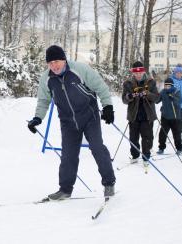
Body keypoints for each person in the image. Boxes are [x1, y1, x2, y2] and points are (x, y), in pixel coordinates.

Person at [27, 45, 116, 200]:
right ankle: (65, 189)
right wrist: (37, 118)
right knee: (68, 155)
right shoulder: (46, 78)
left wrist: (107, 106)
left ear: (64, 59)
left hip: (89, 116)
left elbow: (100, 87)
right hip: (67, 122)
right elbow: (43, 100)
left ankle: (109, 183)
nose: (54, 65)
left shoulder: (79, 70)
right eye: (50, 63)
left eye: (56, 61)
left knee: (97, 148)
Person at [122, 61, 159, 165]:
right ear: (133, 73)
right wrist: (130, 96)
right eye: (136, 73)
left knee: (147, 137)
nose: (138, 75)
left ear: (143, 72)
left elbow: (157, 97)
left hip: (147, 115)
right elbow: (124, 100)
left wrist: (147, 94)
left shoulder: (151, 82)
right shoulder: (127, 83)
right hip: (134, 115)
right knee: (133, 138)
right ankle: (135, 155)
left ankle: (146, 156)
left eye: (140, 72)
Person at [156, 78, 182, 155]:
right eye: (165, 86)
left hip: (175, 117)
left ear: (172, 86)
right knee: (162, 134)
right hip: (165, 116)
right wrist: (154, 96)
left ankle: (179, 148)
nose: (167, 87)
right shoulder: (163, 92)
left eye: (168, 86)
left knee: (176, 134)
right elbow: (157, 100)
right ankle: (161, 148)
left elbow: (179, 102)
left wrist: (173, 98)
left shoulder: (176, 91)